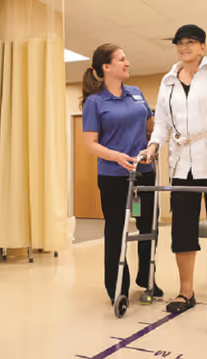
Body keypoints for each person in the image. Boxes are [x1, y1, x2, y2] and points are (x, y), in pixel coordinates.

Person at [140, 24, 207, 313]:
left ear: (202, 47)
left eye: (190, 42)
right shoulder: (168, 80)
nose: (184, 47)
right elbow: (161, 122)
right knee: (182, 229)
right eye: (179, 43)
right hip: (182, 164)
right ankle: (186, 292)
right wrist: (153, 146)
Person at [81, 44, 164, 305]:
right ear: (106, 67)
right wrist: (116, 156)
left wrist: (153, 146)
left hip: (144, 174)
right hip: (114, 177)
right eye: (121, 59)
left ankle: (146, 278)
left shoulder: (137, 94)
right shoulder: (95, 102)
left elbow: (153, 127)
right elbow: (90, 143)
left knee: (148, 226)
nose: (127, 63)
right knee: (117, 230)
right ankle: (118, 286)